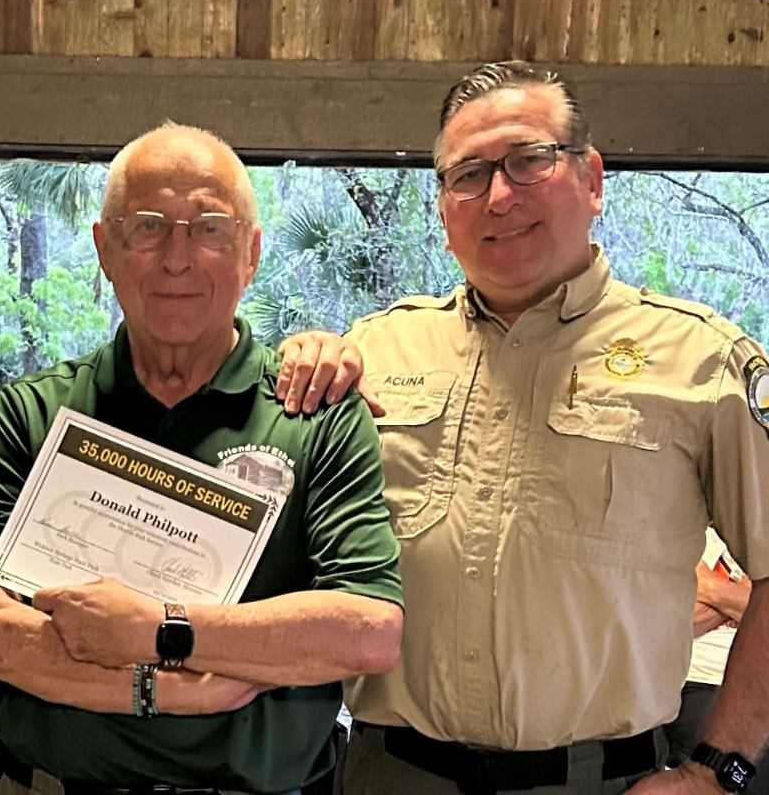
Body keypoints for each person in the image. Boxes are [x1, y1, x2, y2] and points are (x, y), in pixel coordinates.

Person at [278, 61, 769, 795]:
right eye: (468, 174)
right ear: (444, 210)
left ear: (593, 178)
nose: (499, 195)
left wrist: (717, 770)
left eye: (529, 160)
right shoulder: (375, 353)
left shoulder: (702, 362)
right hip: (389, 774)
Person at [0, 123, 405, 795]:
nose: (178, 257)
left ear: (251, 253)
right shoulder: (36, 413)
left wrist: (164, 632)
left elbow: (366, 631)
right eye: (149, 226)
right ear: (105, 248)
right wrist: (166, 687)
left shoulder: (319, 415)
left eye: (210, 227)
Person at [664, 529, 767, 795]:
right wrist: (751, 599)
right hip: (695, 682)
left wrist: (708, 587)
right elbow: (671, 621)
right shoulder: (685, 527)